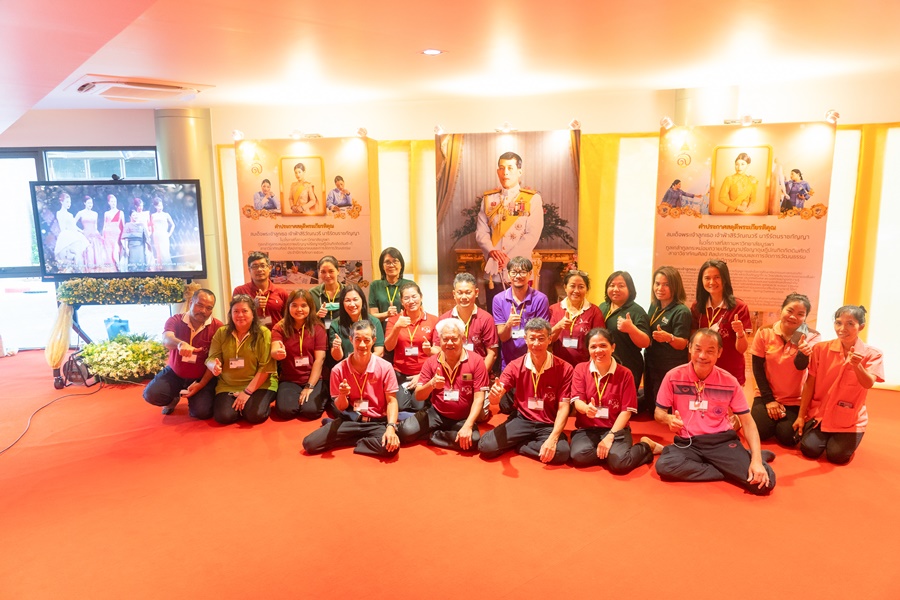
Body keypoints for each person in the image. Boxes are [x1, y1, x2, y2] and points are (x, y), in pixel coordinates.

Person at [654, 329, 775, 495]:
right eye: (697, 349)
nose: (702, 356)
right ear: (689, 348)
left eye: (710, 351)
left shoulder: (729, 381)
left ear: (719, 353)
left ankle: (749, 457)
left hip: (720, 442)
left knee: (764, 483)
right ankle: (731, 466)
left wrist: (757, 462)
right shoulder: (673, 376)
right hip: (687, 442)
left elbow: (747, 422)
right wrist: (668, 419)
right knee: (665, 466)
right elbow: (658, 412)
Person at [793, 306, 884, 464]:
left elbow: (868, 383)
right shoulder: (821, 349)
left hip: (849, 418)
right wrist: (801, 416)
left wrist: (857, 366)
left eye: (850, 324)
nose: (842, 329)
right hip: (821, 414)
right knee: (809, 449)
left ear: (861, 327)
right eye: (838, 323)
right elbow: (810, 383)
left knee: (837, 456)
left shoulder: (873, 354)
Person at [478, 318, 573, 465]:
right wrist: (494, 396)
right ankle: (528, 442)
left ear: (549, 339)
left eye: (541, 338)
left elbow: (563, 407)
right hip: (522, 419)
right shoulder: (515, 366)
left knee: (562, 453)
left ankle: (521, 445)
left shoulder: (565, 368)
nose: (536, 343)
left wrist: (553, 438)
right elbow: (495, 399)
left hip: (548, 423)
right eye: (532, 338)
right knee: (486, 446)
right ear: (525, 339)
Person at [301, 320, 400, 458]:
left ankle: (352, 439)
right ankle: (355, 436)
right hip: (351, 420)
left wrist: (391, 427)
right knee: (310, 444)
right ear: (351, 339)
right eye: (357, 339)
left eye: (367, 340)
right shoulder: (338, 370)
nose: (362, 345)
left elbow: (391, 401)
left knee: (390, 448)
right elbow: (340, 407)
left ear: (373, 341)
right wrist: (342, 395)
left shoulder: (385, 367)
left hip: (376, 422)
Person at [569, 328, 659, 472]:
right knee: (578, 456)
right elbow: (577, 401)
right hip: (587, 429)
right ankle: (610, 454)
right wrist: (586, 409)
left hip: (615, 428)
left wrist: (610, 436)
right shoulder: (580, 369)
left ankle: (646, 446)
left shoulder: (625, 374)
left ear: (613, 347)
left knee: (619, 464)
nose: (598, 350)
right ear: (588, 349)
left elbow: (626, 411)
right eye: (593, 347)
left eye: (603, 345)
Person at [400, 318, 488, 451]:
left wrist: (468, 425)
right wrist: (431, 384)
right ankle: (443, 435)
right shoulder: (431, 362)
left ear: (463, 339)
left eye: (454, 339)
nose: (449, 343)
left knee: (473, 440)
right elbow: (418, 396)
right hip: (436, 413)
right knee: (404, 432)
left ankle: (434, 436)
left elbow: (479, 398)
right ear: (439, 340)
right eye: (445, 339)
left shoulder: (476, 361)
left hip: (462, 417)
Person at [475, 152, 544, 307]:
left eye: (510, 168)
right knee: (495, 313)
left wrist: (509, 259)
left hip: (519, 269)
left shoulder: (532, 199)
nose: (505, 172)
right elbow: (481, 232)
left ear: (519, 172)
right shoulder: (489, 200)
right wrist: (492, 251)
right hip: (494, 270)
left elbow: (532, 235)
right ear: (497, 171)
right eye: (501, 168)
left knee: (522, 313)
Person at [750, 293, 820, 446]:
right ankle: (771, 416)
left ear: (805, 317)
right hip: (766, 394)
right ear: (781, 309)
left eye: (800, 314)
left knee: (788, 437)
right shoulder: (764, 332)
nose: (793, 317)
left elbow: (801, 366)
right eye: (790, 311)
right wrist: (769, 401)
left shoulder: (812, 337)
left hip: (794, 399)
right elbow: (757, 368)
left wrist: (803, 352)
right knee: (760, 431)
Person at [143, 289, 222, 418]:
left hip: (200, 377)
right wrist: (180, 344)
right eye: (199, 305)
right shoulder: (176, 320)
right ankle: (172, 399)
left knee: (202, 412)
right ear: (191, 303)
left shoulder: (218, 327)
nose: (203, 311)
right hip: (175, 372)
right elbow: (166, 339)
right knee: (151, 394)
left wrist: (201, 384)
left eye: (208, 308)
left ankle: (195, 399)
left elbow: (215, 359)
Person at [432, 272, 499, 420]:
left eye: (468, 292)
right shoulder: (444, 319)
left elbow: (492, 354)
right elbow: (437, 350)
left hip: (477, 375)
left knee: (480, 417)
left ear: (476, 292)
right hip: (451, 375)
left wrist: (478, 376)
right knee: (447, 411)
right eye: (460, 292)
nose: (464, 297)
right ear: (454, 294)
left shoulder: (486, 318)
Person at [206, 295, 278, 425]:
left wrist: (247, 392)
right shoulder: (222, 332)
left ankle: (247, 406)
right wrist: (213, 366)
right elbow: (211, 358)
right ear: (231, 314)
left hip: (260, 384)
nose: (240, 315)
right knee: (224, 417)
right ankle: (242, 407)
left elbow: (266, 368)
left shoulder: (263, 333)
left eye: (245, 311)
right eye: (236, 311)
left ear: (253, 313)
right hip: (228, 385)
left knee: (255, 416)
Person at [492, 256, 551, 413]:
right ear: (508, 274)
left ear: (530, 274)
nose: (518, 275)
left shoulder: (540, 299)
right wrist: (509, 324)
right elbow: (503, 337)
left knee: (533, 407)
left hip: (534, 363)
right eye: (514, 272)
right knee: (506, 408)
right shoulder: (499, 299)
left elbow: (541, 336)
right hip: (508, 363)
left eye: (523, 272)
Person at [690, 259, 751, 385]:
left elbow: (742, 349)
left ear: (725, 279)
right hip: (703, 372)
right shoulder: (697, 307)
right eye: (707, 278)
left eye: (717, 277)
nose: (712, 282)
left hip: (730, 372)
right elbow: (692, 344)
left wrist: (740, 333)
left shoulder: (739, 307)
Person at [271, 289, 328, 420]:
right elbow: (274, 349)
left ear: (310, 307)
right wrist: (277, 353)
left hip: (314, 378)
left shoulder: (317, 327)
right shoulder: (280, 327)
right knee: (285, 412)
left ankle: (324, 395)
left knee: (310, 411)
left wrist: (309, 386)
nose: (299, 309)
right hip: (289, 379)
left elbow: (319, 359)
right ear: (288, 307)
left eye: (303, 305)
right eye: (294, 305)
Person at [641, 266, 691, 415]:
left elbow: (683, 343)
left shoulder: (681, 311)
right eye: (657, 284)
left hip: (669, 366)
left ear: (675, 286)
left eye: (666, 284)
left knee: (664, 409)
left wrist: (669, 337)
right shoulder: (654, 305)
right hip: (651, 361)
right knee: (650, 405)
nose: (660, 288)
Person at [384, 282, 439, 411]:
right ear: (402, 302)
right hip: (400, 374)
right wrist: (397, 327)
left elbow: (439, 351)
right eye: (406, 298)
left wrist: (422, 374)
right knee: (400, 406)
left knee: (418, 406)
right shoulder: (394, 320)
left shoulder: (433, 320)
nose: (411, 301)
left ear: (421, 297)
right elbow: (388, 347)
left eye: (414, 296)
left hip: (424, 373)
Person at [598, 271, 650, 393]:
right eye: (612, 285)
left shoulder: (637, 311)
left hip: (627, 365)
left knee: (625, 400)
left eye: (621, 286)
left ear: (630, 289)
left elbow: (646, 343)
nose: (615, 289)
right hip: (603, 363)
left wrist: (631, 329)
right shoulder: (603, 307)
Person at [549, 269, 606, 366]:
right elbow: (548, 340)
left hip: (584, 367)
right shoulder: (554, 309)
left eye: (581, 287)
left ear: (586, 289)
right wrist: (559, 326)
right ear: (565, 287)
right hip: (558, 366)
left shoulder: (594, 311)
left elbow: (599, 342)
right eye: (572, 286)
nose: (576, 291)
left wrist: (591, 368)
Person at [329, 283, 385, 363]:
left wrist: (361, 363)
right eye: (348, 300)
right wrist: (337, 347)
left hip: (369, 365)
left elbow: (379, 352)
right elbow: (337, 357)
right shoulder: (335, 325)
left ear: (362, 300)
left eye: (355, 300)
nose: (352, 304)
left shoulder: (375, 322)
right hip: (346, 366)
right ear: (342, 303)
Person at [232, 251, 289, 329]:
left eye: (263, 266)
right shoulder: (240, 291)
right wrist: (253, 306)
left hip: (275, 335)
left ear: (270, 268)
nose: (259, 269)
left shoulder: (281, 292)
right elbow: (235, 318)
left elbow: (288, 319)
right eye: (255, 266)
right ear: (249, 270)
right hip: (250, 335)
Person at [368, 248, 415, 323]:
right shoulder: (375, 285)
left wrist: (406, 314)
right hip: (382, 328)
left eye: (395, 261)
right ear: (382, 266)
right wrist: (387, 314)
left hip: (406, 328)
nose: (391, 265)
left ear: (401, 265)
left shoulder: (410, 285)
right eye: (387, 262)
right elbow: (373, 316)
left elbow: (419, 311)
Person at [74, 196, 113, 272]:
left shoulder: (95, 214)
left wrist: (99, 235)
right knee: (88, 254)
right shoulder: (81, 213)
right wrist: (81, 231)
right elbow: (73, 223)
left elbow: (95, 226)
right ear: (84, 203)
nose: (90, 205)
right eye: (88, 203)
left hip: (94, 236)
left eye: (91, 203)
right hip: (85, 236)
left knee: (96, 255)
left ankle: (95, 273)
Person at [53, 192, 88, 271]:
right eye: (67, 202)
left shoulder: (70, 214)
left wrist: (81, 231)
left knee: (78, 257)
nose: (69, 204)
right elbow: (62, 227)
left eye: (70, 202)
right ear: (61, 202)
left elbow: (73, 226)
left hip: (75, 237)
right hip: (67, 237)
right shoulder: (59, 213)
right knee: (69, 259)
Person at [309, 256, 344, 329]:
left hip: (343, 333)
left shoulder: (348, 292)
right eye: (323, 272)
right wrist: (317, 315)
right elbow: (306, 319)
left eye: (331, 271)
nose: (327, 275)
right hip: (320, 333)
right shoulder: (313, 293)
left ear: (338, 271)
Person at [149, 197, 175, 268]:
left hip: (164, 235)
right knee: (158, 252)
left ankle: (168, 269)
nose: (160, 207)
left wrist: (169, 234)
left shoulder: (166, 214)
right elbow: (151, 226)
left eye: (161, 205)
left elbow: (173, 225)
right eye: (158, 206)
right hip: (156, 235)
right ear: (155, 206)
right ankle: (160, 268)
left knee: (165, 252)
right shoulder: (153, 215)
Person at [102, 194, 125, 270]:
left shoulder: (120, 212)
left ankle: (117, 268)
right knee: (108, 251)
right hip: (107, 235)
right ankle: (110, 269)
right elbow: (104, 225)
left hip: (116, 234)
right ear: (109, 203)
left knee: (116, 251)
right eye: (112, 201)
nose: (113, 203)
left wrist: (123, 237)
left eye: (115, 201)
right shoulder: (106, 213)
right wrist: (103, 236)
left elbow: (123, 225)